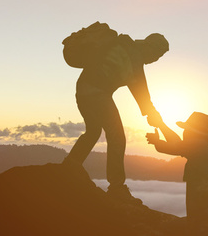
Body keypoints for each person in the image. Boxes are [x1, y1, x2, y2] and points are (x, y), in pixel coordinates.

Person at [64, 31, 169, 203]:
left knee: (93, 132)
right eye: (157, 54)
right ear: (149, 46)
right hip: (97, 94)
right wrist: (153, 115)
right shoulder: (135, 58)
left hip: (82, 91)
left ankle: (70, 166)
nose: (155, 59)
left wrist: (149, 112)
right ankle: (116, 187)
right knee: (117, 138)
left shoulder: (123, 45)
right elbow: (141, 93)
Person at [146, 111, 208, 236]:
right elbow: (178, 143)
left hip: (206, 227)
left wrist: (157, 140)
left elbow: (171, 146)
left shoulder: (197, 146)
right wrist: (161, 125)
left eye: (186, 129)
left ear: (193, 132)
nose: (184, 132)